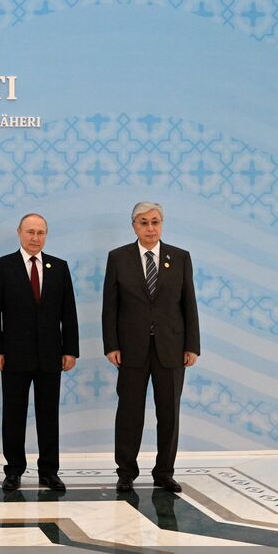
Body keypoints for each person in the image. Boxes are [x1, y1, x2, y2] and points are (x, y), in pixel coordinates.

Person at [102, 201, 200, 493]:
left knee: (169, 413)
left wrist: (192, 345)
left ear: (161, 224)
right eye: (143, 222)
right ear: (134, 226)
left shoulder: (180, 257)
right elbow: (110, 306)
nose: (150, 228)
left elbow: (189, 304)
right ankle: (126, 472)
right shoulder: (118, 258)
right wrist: (111, 345)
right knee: (129, 412)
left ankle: (164, 472)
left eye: (155, 222)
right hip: (131, 349)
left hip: (172, 348)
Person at [0, 213, 79, 492]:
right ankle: (13, 470)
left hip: (51, 355)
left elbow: (68, 312)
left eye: (40, 232)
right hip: (13, 355)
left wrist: (70, 350)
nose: (35, 238)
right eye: (30, 232)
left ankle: (49, 471)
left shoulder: (59, 267)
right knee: (14, 414)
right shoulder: (2, 266)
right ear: (19, 233)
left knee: (48, 415)